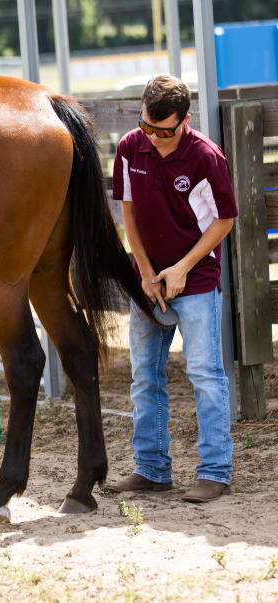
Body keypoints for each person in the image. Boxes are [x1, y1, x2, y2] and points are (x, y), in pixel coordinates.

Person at [110, 74, 237, 502]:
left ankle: (215, 472)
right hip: (148, 282)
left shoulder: (205, 156)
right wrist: (144, 272)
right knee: (144, 376)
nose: (155, 137)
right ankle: (151, 469)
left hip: (195, 279)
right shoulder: (130, 148)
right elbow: (127, 212)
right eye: (148, 126)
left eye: (164, 131)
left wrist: (182, 267)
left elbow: (224, 220)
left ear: (184, 120)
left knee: (205, 374)